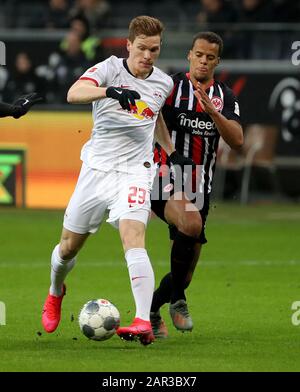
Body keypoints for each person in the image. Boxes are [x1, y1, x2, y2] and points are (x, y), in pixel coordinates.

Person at [41, 15, 192, 346]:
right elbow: (73, 93)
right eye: (142, 48)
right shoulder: (109, 68)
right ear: (128, 45)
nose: (148, 56)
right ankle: (55, 292)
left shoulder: (163, 83)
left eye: (154, 49)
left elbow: (153, 119)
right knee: (68, 248)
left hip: (136, 170)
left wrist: (169, 150)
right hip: (96, 170)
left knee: (133, 237)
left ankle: (141, 320)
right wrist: (109, 92)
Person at [150, 31, 244, 338]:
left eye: (210, 57)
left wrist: (214, 112)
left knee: (185, 275)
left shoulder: (225, 96)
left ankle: (153, 308)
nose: (204, 61)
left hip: (199, 185)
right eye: (199, 55)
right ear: (190, 55)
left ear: (218, 61)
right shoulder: (170, 86)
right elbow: (147, 118)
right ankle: (177, 301)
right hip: (165, 176)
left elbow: (238, 141)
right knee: (190, 224)